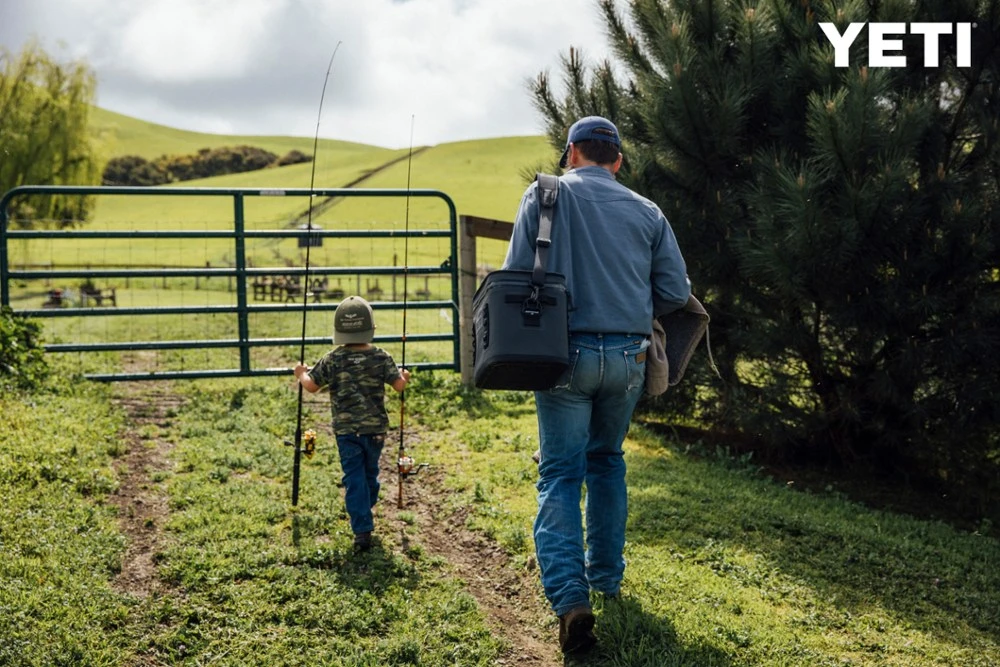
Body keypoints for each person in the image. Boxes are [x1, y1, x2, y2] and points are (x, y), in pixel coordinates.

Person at [501, 116, 691, 654]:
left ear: (571, 154)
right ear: (618, 161)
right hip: (630, 358)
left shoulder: (543, 195)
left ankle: (570, 599)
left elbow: (515, 274)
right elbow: (675, 292)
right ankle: (605, 578)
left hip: (563, 355)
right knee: (607, 461)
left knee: (560, 472)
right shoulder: (648, 211)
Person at [294, 295, 410, 551]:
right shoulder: (381, 357)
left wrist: (301, 373)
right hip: (376, 431)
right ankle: (363, 515)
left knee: (354, 478)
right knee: (370, 475)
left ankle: (361, 527)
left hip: (346, 432)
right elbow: (399, 386)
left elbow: (311, 386)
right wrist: (404, 376)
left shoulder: (333, 358)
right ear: (371, 328)